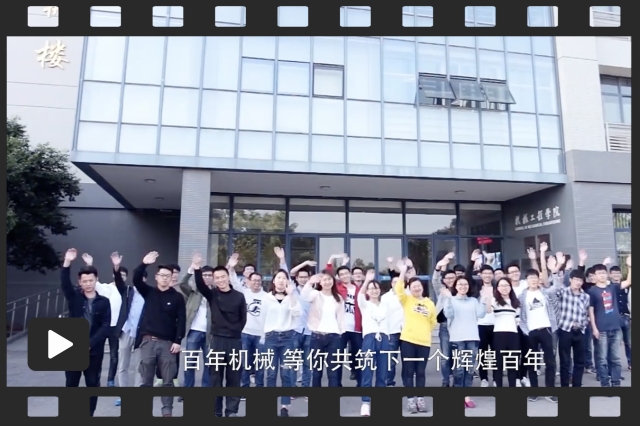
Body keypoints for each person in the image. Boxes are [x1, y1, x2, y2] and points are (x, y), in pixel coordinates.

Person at [193, 253, 246, 417]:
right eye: (217, 278)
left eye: (223, 276)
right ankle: (215, 411)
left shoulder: (239, 296)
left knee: (234, 378)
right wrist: (197, 268)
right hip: (216, 341)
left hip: (234, 342)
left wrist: (233, 331)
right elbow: (200, 285)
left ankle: (231, 411)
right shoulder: (212, 294)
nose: (220, 280)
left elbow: (243, 319)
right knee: (215, 379)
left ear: (228, 277)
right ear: (214, 280)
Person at [133, 252, 186, 417]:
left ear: (172, 278)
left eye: (167, 276)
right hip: (148, 342)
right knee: (146, 381)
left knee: (168, 381)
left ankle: (167, 411)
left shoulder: (177, 297)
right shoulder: (149, 292)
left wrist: (178, 341)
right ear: (156, 277)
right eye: (161, 275)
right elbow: (136, 279)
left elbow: (182, 320)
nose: (164, 278)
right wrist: (144, 263)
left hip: (167, 344)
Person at [60, 248, 111, 417]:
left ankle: (89, 414)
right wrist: (67, 262)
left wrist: (89, 344)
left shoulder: (104, 302)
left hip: (94, 351)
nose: (88, 283)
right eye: (85, 281)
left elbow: (105, 326)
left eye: (91, 280)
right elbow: (65, 283)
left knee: (92, 384)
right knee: (71, 384)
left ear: (96, 280)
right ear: (80, 282)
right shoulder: (74, 297)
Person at [518, 242, 563, 403]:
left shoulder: (545, 293)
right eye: (530, 278)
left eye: (535, 278)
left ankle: (550, 391)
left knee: (550, 362)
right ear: (526, 280)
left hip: (546, 330)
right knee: (532, 362)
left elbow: (557, 286)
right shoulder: (522, 296)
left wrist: (554, 271)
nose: (533, 280)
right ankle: (534, 391)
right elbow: (518, 314)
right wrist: (525, 330)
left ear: (539, 279)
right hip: (530, 332)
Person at [394, 259, 436, 414]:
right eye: (413, 287)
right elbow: (399, 288)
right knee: (408, 370)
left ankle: (420, 399)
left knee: (420, 372)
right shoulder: (407, 300)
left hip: (424, 342)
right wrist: (403, 272)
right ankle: (410, 400)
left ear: (422, 287)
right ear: (410, 289)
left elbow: (433, 321)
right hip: (408, 341)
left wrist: (424, 331)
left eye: (418, 286)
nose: (417, 288)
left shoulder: (429, 303)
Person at [442, 276, 488, 408]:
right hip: (457, 339)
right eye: (460, 284)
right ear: (455, 286)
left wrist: (484, 298)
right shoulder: (451, 299)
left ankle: (467, 396)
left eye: (465, 284)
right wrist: (448, 299)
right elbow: (448, 314)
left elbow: (481, 314)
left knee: (469, 369)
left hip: (472, 338)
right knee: (459, 369)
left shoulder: (473, 301)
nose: (463, 287)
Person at [260, 269, 300, 417]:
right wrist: (262, 338)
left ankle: (285, 406)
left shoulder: (291, 298)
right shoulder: (267, 298)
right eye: (279, 278)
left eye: (284, 278)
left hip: (288, 338)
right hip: (270, 337)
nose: (281, 280)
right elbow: (262, 318)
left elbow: (297, 314)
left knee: (286, 374)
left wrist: (292, 295)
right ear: (274, 281)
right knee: (271, 373)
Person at [588, 255, 632, 388]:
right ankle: (605, 384)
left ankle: (616, 383)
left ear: (607, 274)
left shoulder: (612, 288)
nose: (602, 275)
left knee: (616, 359)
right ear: (594, 276)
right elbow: (590, 311)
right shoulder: (592, 291)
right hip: (601, 329)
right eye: (599, 273)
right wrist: (594, 328)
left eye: (603, 273)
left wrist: (629, 266)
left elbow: (629, 281)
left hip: (615, 328)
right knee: (602, 359)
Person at [80, 253, 122, 389]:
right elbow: (91, 280)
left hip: (116, 327)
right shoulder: (104, 287)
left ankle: (110, 380)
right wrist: (89, 264)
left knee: (114, 355)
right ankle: (96, 378)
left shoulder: (124, 290)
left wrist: (117, 267)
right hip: (103, 327)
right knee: (98, 354)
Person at [301, 271, 345, 387]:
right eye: (324, 280)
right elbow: (304, 296)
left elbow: (341, 317)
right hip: (317, 336)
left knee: (333, 372)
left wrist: (341, 331)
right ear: (320, 282)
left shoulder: (338, 298)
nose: (327, 282)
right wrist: (310, 282)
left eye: (329, 279)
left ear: (333, 281)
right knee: (317, 371)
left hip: (334, 337)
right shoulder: (316, 294)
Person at [112, 254, 145, 406]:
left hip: (141, 334)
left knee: (140, 366)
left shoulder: (149, 294)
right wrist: (116, 267)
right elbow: (118, 282)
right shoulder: (127, 291)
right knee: (123, 366)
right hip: (126, 331)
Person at [357, 269, 390, 416]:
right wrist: (366, 281)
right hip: (369, 338)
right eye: (371, 289)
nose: (374, 291)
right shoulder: (365, 304)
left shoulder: (385, 305)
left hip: (384, 338)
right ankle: (365, 403)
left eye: (376, 288)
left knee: (382, 372)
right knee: (367, 371)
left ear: (380, 290)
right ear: (367, 291)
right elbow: (360, 295)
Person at [178, 260, 213, 392]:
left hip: (210, 333)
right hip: (194, 331)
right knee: (190, 363)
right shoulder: (193, 291)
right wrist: (191, 269)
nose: (207, 278)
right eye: (205, 275)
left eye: (210, 275)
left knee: (209, 364)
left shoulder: (216, 293)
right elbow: (182, 284)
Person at [555, 269, 590, 387]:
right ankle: (564, 386)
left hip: (580, 331)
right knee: (565, 361)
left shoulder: (585, 296)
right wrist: (555, 272)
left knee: (580, 361)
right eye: (576, 279)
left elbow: (585, 313)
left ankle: (577, 386)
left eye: (580, 280)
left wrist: (584, 324)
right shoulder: (563, 292)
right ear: (570, 280)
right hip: (565, 330)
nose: (578, 282)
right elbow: (553, 290)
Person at [487, 277, 521, 388]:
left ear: (510, 287)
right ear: (497, 288)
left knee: (512, 364)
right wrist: (488, 298)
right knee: (499, 364)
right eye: (501, 285)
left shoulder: (515, 302)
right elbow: (488, 311)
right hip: (499, 334)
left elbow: (518, 320)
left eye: (506, 285)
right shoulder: (494, 300)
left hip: (513, 334)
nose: (504, 288)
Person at [431, 252, 457, 387]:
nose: (451, 280)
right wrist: (438, 267)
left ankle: (457, 380)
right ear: (444, 280)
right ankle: (446, 380)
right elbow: (435, 281)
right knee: (445, 356)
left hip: (459, 326)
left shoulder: (462, 290)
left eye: (453, 277)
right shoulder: (441, 290)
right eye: (448, 278)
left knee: (457, 355)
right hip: (445, 326)